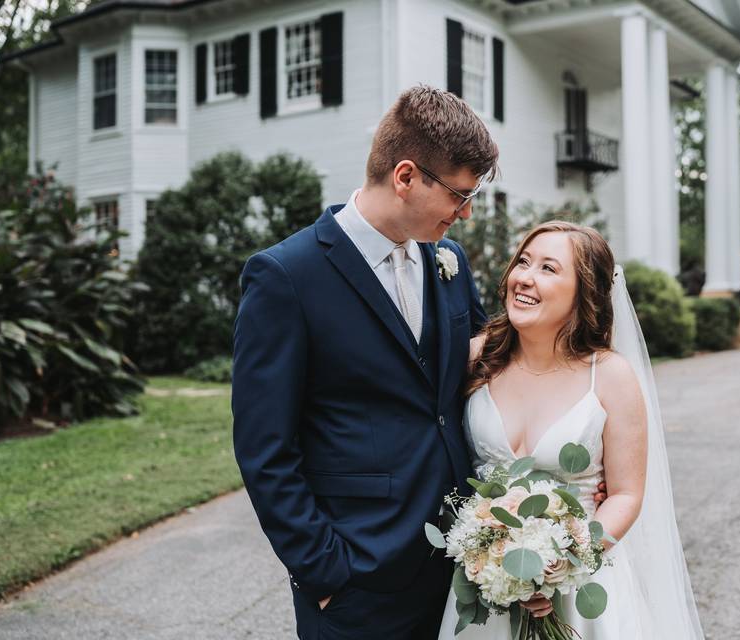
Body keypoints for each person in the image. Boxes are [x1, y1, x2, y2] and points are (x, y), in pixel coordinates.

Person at [231, 85, 498, 640]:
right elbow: (264, 447)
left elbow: (482, 377)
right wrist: (324, 571)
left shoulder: (449, 260)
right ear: (405, 177)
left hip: (464, 567)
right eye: (457, 194)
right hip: (359, 579)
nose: (466, 213)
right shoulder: (286, 277)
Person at [438, 221, 705, 639]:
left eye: (548, 268)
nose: (524, 278)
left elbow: (626, 494)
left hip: (580, 589)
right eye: (523, 262)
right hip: (485, 588)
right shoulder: (477, 356)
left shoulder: (611, 377)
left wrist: (565, 561)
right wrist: (493, 554)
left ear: (585, 292)